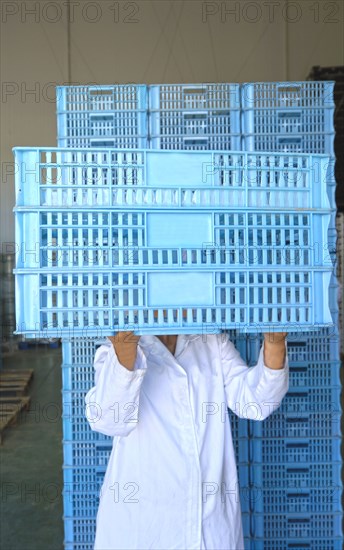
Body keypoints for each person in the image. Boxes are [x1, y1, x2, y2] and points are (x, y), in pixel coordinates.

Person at [85, 331, 289, 550]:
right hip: (140, 526)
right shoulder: (112, 347)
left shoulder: (211, 341)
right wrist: (125, 350)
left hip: (208, 527)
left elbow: (256, 402)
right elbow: (109, 421)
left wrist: (274, 342)